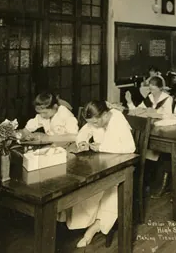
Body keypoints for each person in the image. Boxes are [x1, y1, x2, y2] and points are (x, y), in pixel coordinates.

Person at [62, 100, 136, 248]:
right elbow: (85, 130)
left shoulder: (117, 119)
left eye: (96, 122)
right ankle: (84, 222)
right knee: (84, 184)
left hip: (122, 164)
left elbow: (130, 147)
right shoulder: (96, 120)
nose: (94, 125)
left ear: (105, 114)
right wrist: (82, 141)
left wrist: (100, 146)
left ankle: (95, 227)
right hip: (102, 163)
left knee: (113, 188)